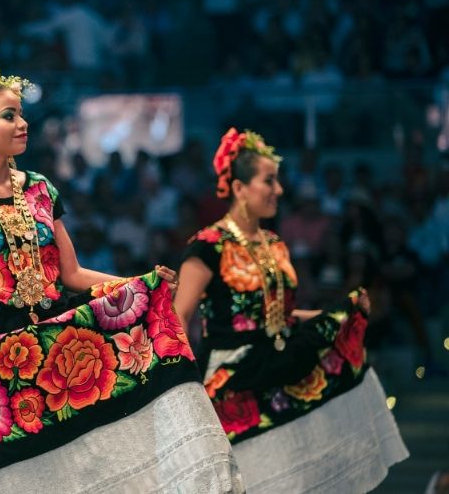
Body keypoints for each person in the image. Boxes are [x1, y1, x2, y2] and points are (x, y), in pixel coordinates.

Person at [0, 59, 243, 492]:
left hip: (53, 336)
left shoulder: (41, 188)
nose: (23, 123)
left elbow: (72, 273)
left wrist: (136, 284)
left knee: (78, 459)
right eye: (9, 115)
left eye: (22, 114)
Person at [174, 127, 408, 492]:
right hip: (233, 379)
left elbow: (282, 316)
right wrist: (182, 391)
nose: (279, 190)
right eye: (269, 181)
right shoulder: (207, 247)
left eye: (278, 181)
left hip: (281, 365)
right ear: (239, 188)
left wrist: (337, 315)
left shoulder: (276, 244)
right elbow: (178, 321)